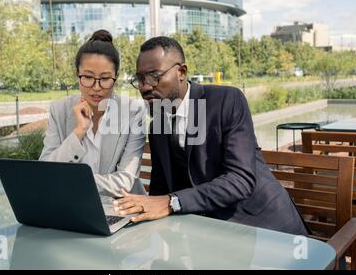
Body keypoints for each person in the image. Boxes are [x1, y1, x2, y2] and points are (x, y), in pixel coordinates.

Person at [114, 36, 308, 236]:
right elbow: (160, 190)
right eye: (140, 79)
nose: (145, 87)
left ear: (181, 72)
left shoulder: (227, 101)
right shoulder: (157, 127)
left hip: (264, 229)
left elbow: (240, 180)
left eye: (154, 76)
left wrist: (172, 202)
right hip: (207, 234)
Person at [39, 30, 147, 198]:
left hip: (121, 206)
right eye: (88, 77)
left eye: (104, 78)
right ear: (77, 74)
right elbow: (45, 171)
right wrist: (78, 132)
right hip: (72, 206)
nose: (96, 87)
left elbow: (125, 180)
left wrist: (71, 181)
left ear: (116, 77)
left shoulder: (133, 112)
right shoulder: (59, 110)